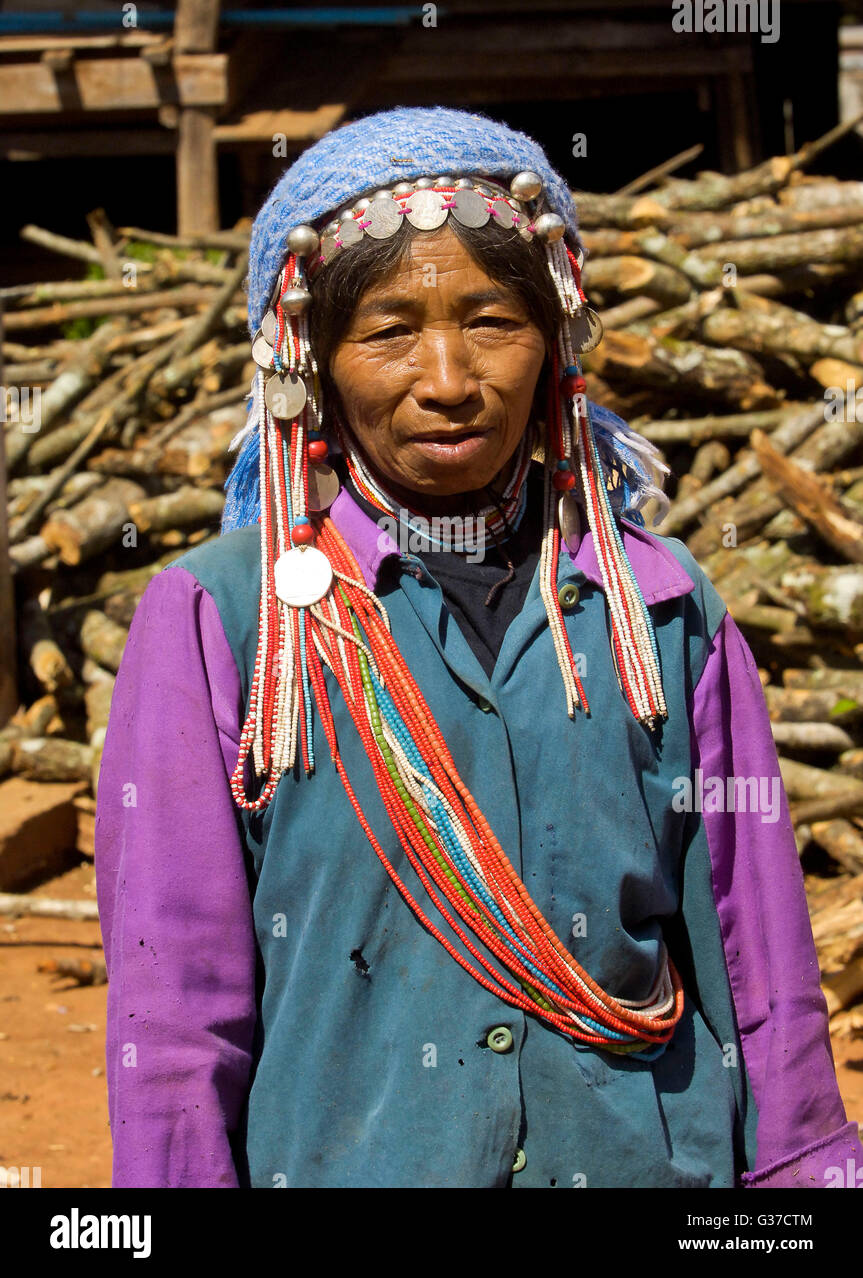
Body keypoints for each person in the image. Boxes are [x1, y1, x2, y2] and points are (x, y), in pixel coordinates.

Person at [95, 104, 862, 1189]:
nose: (447, 377)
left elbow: (760, 966)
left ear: (556, 341)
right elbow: (173, 1013)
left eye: (491, 319)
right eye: (390, 329)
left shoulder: (661, 610)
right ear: (307, 361)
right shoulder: (224, 627)